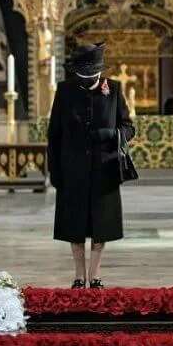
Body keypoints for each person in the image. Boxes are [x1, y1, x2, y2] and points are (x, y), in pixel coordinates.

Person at [47, 42, 135, 289]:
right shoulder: (64, 91)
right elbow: (54, 133)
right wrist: (54, 170)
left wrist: (112, 134)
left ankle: (94, 276)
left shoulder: (114, 89)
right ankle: (78, 275)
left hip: (104, 170)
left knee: (101, 225)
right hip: (71, 169)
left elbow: (129, 127)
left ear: (99, 72)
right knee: (74, 224)